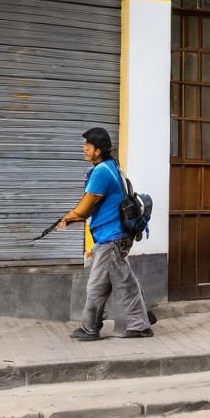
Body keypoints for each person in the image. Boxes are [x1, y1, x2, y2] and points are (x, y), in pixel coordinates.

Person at [63, 127, 153, 341]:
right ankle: (130, 323)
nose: (84, 148)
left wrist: (66, 219)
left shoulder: (103, 171)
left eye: (89, 145)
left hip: (111, 237)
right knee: (111, 283)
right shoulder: (112, 166)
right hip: (113, 236)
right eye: (84, 143)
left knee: (106, 284)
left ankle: (99, 327)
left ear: (100, 149)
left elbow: (84, 209)